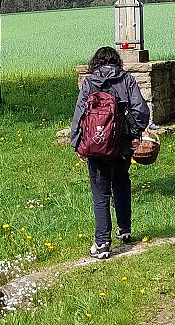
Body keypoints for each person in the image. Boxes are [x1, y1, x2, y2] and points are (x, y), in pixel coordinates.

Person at [70, 46, 150, 259]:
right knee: (121, 182)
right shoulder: (127, 79)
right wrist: (135, 133)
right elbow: (141, 110)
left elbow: (79, 114)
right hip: (121, 143)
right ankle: (124, 229)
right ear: (117, 62)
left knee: (100, 194)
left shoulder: (90, 82)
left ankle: (102, 243)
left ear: (96, 62)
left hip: (96, 145)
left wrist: (77, 143)